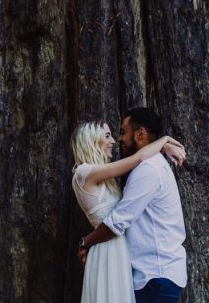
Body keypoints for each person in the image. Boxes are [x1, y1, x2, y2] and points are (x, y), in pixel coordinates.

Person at [78, 108, 188, 303]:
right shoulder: (147, 165)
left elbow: (118, 221)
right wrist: (163, 144)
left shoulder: (148, 169)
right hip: (149, 274)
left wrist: (86, 242)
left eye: (122, 132)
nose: (118, 139)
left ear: (140, 134)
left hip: (156, 274)